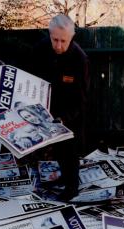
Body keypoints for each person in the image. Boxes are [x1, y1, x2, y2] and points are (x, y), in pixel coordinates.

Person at [31, 14, 90, 201]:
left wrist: (64, 118)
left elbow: (82, 99)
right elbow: (25, 67)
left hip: (71, 113)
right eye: (54, 40)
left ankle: (72, 188)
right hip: (47, 108)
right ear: (50, 35)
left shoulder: (80, 59)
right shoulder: (40, 48)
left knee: (69, 151)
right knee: (56, 149)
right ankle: (63, 177)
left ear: (71, 38)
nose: (58, 45)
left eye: (63, 41)